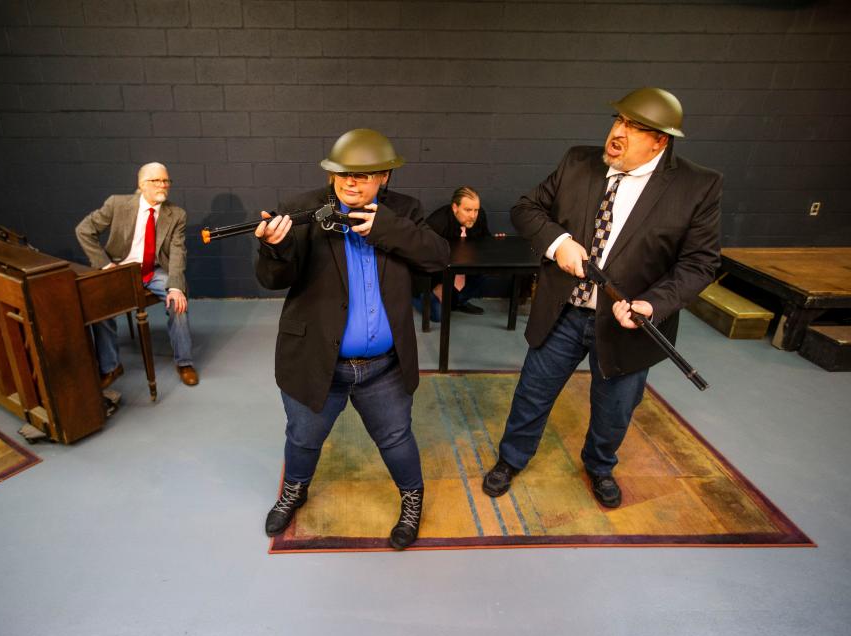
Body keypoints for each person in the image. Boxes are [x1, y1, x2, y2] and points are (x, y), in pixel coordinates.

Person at [482, 88, 721, 508]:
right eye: (619, 121)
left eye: (634, 128)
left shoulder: (696, 186)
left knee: (615, 408)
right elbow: (526, 209)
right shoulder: (578, 161)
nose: (618, 133)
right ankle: (511, 459)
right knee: (532, 392)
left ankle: (599, 466)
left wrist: (652, 304)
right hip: (564, 311)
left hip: (629, 323)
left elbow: (699, 264)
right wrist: (558, 242)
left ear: (659, 141)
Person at [254, 129, 450, 550]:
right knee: (303, 438)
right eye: (343, 174)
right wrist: (273, 249)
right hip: (315, 361)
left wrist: (386, 228)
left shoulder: (404, 211)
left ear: (385, 177)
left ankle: (412, 498)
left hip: (384, 368)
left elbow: (438, 257)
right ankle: (294, 491)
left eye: (363, 175)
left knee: (397, 437)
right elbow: (275, 279)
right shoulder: (303, 210)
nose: (351, 182)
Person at [75, 162, 199, 387]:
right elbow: (84, 230)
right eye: (157, 181)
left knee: (178, 303)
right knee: (97, 305)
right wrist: (103, 265)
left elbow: (178, 252)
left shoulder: (177, 214)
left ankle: (184, 362)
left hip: (154, 271)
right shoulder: (117, 204)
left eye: (166, 181)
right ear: (142, 185)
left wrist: (176, 287)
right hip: (120, 269)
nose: (163, 185)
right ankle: (111, 366)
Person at [417, 186, 494, 320]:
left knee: (485, 272)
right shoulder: (437, 223)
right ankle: (423, 297)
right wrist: (439, 284)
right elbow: (423, 258)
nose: (473, 215)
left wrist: (495, 241)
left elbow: (484, 240)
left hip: (463, 268)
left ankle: (458, 301)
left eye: (476, 210)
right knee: (438, 317)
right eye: (468, 210)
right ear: (455, 208)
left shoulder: (479, 216)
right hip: (436, 274)